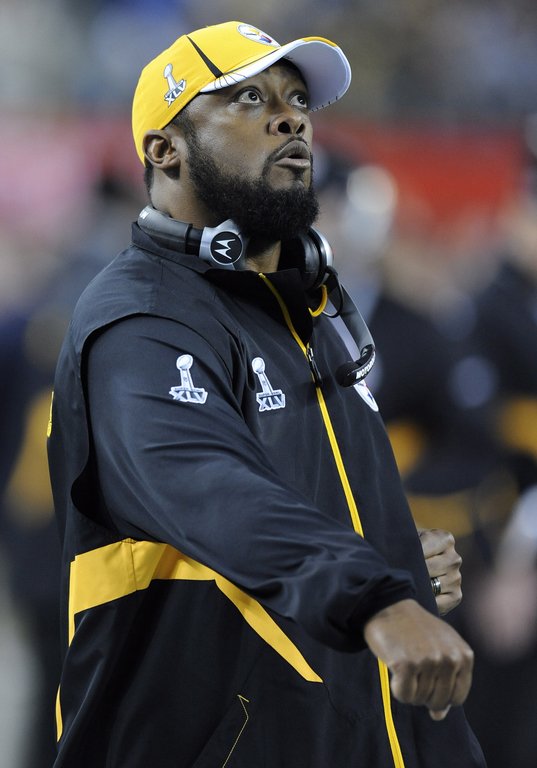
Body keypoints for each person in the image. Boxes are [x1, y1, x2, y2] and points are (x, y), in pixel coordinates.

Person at [47, 21, 486, 767]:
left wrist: (389, 557)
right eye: (248, 99)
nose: (291, 119)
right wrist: (372, 594)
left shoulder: (303, 308)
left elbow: (295, 501)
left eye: (297, 100)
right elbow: (210, 487)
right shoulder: (142, 319)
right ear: (164, 149)